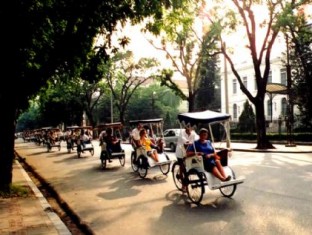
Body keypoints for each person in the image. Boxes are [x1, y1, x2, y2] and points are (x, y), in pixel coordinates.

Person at [175, 125, 199, 192]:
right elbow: (183, 140)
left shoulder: (193, 133)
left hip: (189, 152)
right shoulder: (181, 133)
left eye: (190, 127)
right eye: (187, 127)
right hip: (180, 152)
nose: (189, 128)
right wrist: (188, 142)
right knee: (183, 168)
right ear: (185, 127)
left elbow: (197, 138)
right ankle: (183, 185)